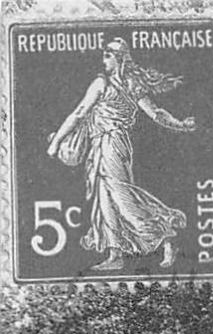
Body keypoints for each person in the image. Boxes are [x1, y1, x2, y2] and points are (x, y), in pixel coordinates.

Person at [46, 38, 195, 271]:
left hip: (113, 144)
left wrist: (55, 142)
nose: (103, 60)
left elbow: (79, 113)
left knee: (121, 196)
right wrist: (181, 125)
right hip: (102, 144)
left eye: (108, 55)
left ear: (119, 58)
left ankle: (165, 237)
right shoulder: (122, 83)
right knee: (105, 199)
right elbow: (154, 113)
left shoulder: (108, 83)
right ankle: (115, 254)